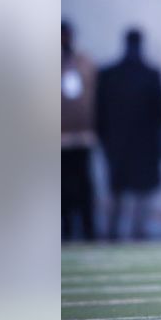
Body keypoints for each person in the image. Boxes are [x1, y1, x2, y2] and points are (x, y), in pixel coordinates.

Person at [96, 29, 161, 240]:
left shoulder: (109, 75)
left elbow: (99, 113)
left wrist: (105, 140)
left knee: (118, 190)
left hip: (117, 144)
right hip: (144, 145)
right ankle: (137, 232)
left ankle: (113, 232)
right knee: (139, 192)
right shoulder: (150, 75)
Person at [61, 21, 98, 241]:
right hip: (58, 139)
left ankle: (87, 230)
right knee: (62, 189)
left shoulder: (83, 62)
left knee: (84, 186)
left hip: (83, 137)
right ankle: (65, 231)